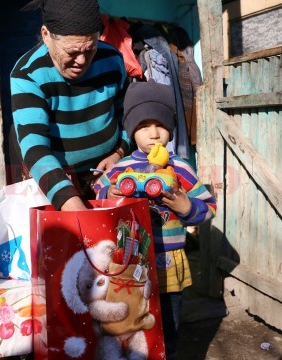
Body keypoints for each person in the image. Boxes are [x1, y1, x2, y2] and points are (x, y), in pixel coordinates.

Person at [93, 79, 217, 360]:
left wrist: (186, 205)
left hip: (168, 262)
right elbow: (99, 193)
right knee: (131, 323)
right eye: (143, 126)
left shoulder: (180, 168)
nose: (153, 134)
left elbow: (209, 207)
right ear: (130, 130)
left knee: (170, 325)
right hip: (129, 264)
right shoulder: (121, 168)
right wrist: (110, 191)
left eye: (160, 125)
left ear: (170, 129)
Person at [10, 0, 129, 211]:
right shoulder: (27, 75)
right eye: (72, 52)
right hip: (52, 184)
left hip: (106, 180)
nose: (82, 61)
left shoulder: (112, 61)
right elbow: (35, 148)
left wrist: (119, 152)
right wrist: (71, 205)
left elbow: (129, 117)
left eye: (90, 49)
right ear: (46, 35)